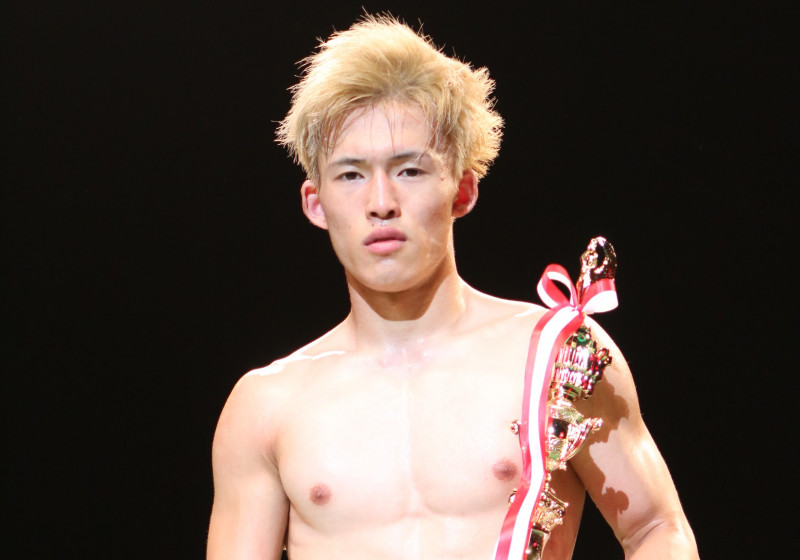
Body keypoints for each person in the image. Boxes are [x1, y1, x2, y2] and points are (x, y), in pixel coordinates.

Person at [207, 15, 698, 560]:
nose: (381, 203)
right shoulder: (266, 407)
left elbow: (657, 529)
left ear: (462, 190)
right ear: (316, 203)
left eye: (409, 171)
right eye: (351, 175)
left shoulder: (558, 355)